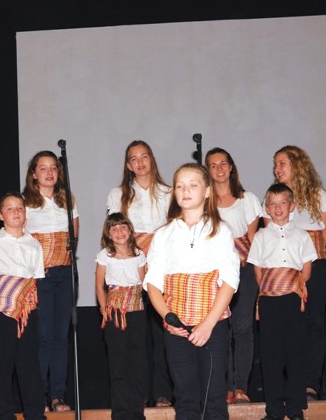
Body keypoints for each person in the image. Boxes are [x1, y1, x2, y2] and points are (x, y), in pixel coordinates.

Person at [144, 163, 240, 420]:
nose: (185, 191)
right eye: (179, 186)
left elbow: (230, 281)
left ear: (207, 191)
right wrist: (168, 318)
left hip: (213, 325)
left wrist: (207, 325)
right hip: (177, 328)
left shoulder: (220, 231)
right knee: (185, 399)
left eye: (193, 185)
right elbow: (153, 284)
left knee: (214, 399)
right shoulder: (163, 234)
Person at [107, 140, 173, 407]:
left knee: (162, 330)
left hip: (161, 267)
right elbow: (114, 232)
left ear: (152, 159)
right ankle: (138, 394)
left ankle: (163, 392)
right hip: (130, 271)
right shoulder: (118, 195)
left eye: (144, 156)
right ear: (128, 165)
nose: (140, 162)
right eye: (134, 158)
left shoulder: (169, 192)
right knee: (135, 336)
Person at [267, 145, 326, 401]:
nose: (277, 168)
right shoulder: (273, 198)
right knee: (286, 328)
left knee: (314, 323)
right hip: (283, 270)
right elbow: (270, 235)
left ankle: (310, 384)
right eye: (275, 164)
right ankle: (289, 383)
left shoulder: (319, 196)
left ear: (297, 165)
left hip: (315, 266)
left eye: (282, 163)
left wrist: (301, 249)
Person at [248, 183, 317, 420]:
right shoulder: (260, 236)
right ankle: (274, 410)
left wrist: (292, 286)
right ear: (266, 208)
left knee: (295, 353)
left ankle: (295, 408)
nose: (278, 208)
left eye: (283, 203)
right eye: (273, 204)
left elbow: (306, 269)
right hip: (270, 302)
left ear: (292, 206)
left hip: (293, 300)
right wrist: (272, 287)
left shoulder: (302, 235)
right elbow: (257, 269)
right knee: (271, 356)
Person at [0, 192, 46, 420]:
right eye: (10, 208)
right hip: (0, 311)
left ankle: (35, 414)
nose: (16, 212)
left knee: (29, 364)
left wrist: (28, 307)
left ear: (25, 213)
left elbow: (35, 280)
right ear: (0, 215)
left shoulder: (34, 244)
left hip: (27, 312)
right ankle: (5, 415)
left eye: (20, 208)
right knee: (2, 365)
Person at [22, 151, 78, 412]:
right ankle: (40, 396)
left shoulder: (68, 199)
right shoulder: (25, 202)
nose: (49, 172)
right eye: (43, 168)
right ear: (33, 174)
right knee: (43, 336)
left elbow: (74, 234)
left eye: (53, 167)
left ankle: (58, 395)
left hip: (63, 274)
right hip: (39, 276)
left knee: (60, 336)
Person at [205, 147, 261, 404]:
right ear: (208, 171)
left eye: (223, 163)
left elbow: (253, 240)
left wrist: (250, 265)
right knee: (219, 328)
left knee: (243, 328)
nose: (219, 168)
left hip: (244, 269)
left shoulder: (247, 199)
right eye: (213, 165)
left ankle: (241, 387)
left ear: (231, 167)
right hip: (215, 272)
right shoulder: (204, 202)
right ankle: (223, 386)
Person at [95, 213, 148, 420]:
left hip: (136, 312)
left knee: (137, 364)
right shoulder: (104, 255)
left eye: (123, 227)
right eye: (114, 228)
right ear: (108, 234)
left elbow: (144, 284)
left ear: (130, 230)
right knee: (118, 364)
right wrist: (104, 309)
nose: (119, 232)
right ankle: (120, 413)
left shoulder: (139, 254)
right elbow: (99, 286)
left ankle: (136, 412)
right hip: (115, 313)